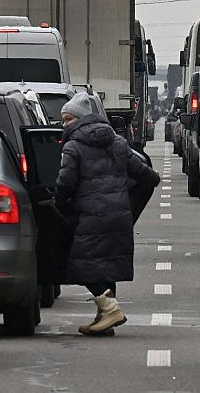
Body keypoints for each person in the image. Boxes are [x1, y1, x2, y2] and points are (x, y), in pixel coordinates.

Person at [55, 92, 161, 336]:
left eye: (68, 119)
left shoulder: (73, 146)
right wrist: (132, 199)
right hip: (119, 215)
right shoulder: (117, 143)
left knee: (81, 265)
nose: (64, 125)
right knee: (107, 267)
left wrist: (58, 201)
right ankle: (105, 320)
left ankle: (110, 309)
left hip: (92, 215)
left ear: (81, 119)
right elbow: (145, 175)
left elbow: (66, 182)